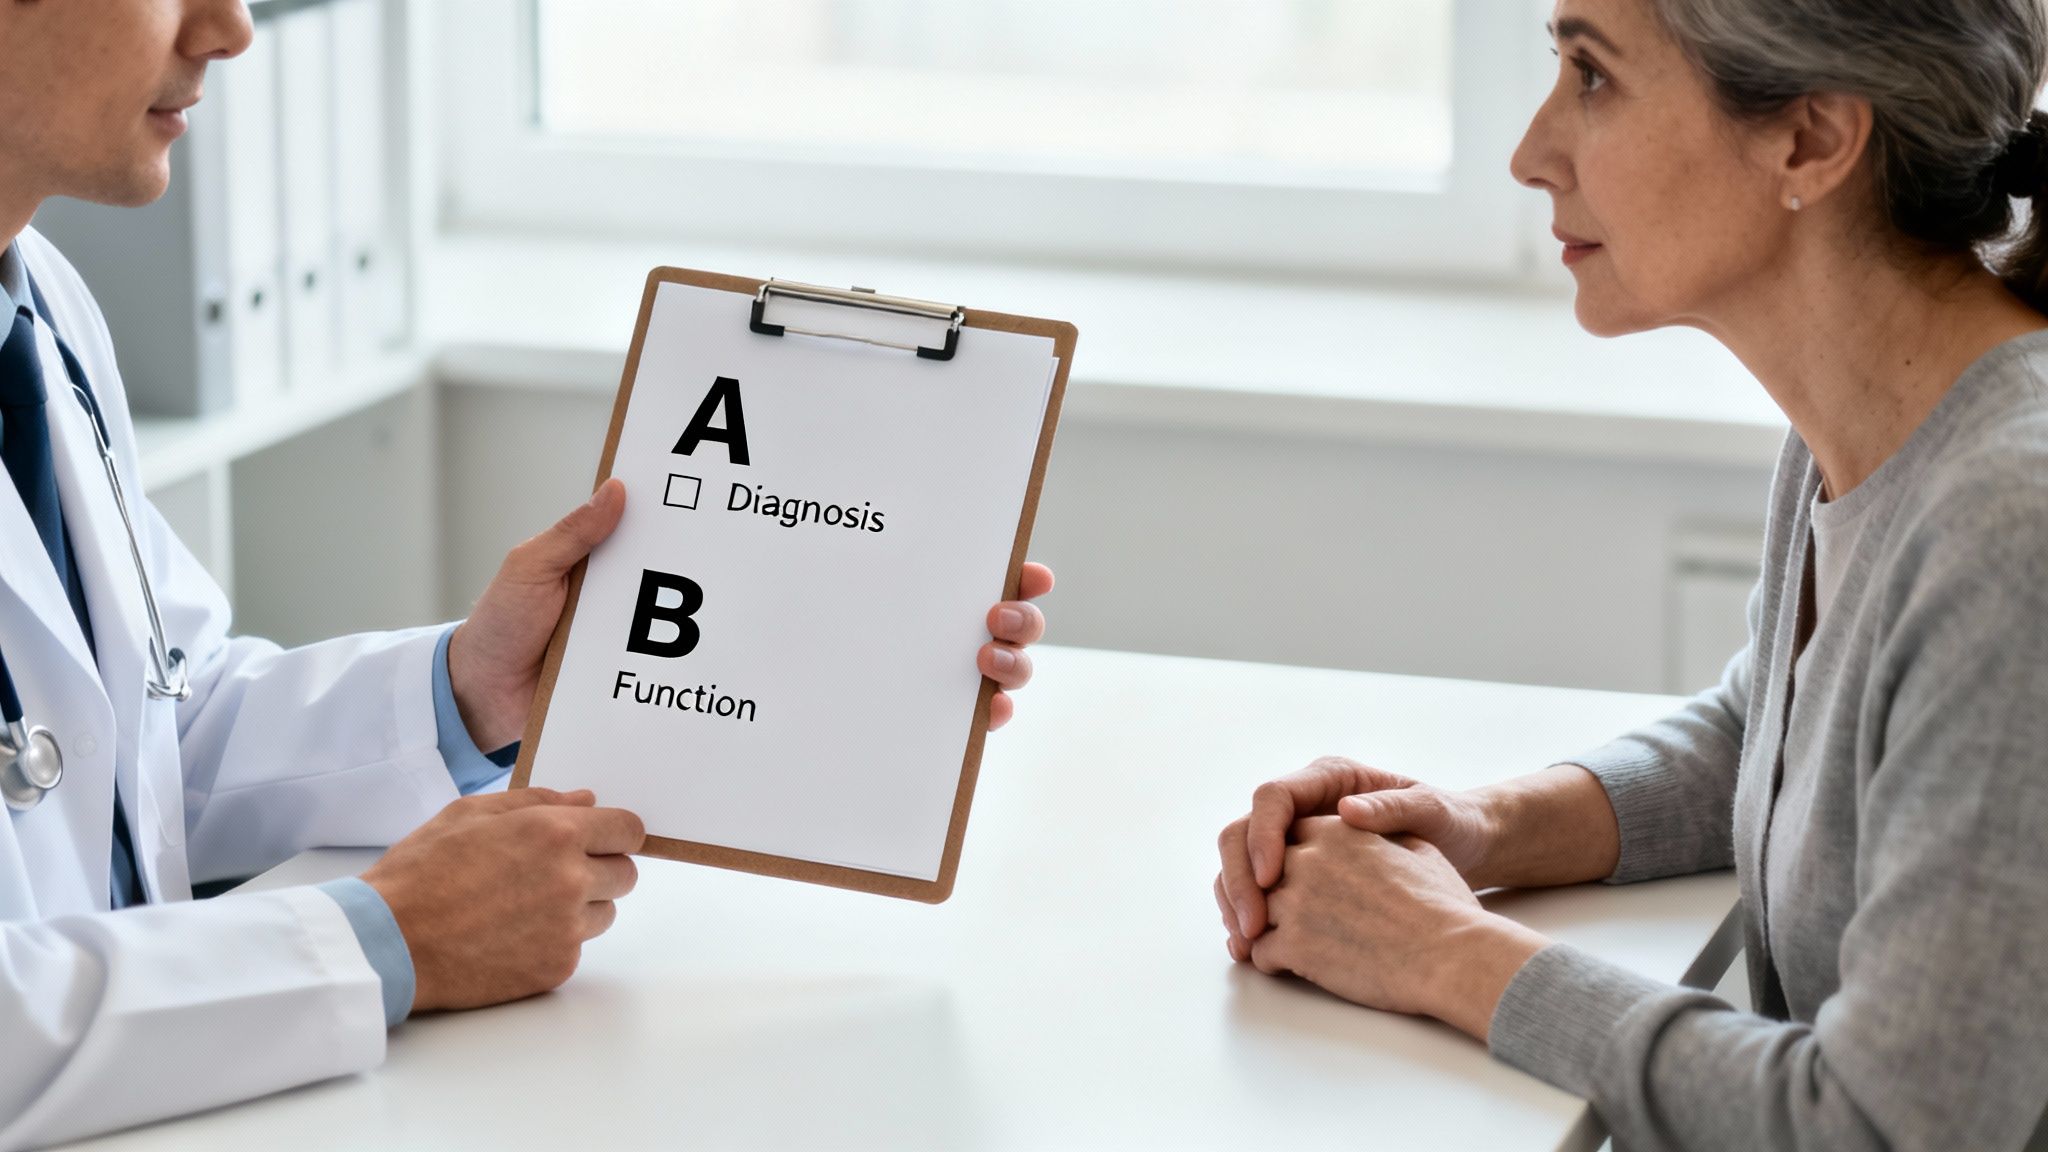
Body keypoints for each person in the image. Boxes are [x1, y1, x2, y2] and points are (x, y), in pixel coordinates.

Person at [0, 2, 1051, 1147]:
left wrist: (473, 689)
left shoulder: (37, 302)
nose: (232, 28)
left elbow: (146, 738)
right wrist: (377, 938)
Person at [1215, 0, 2048, 1148]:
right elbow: (1778, 731)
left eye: (1591, 74)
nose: (1527, 152)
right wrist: (1472, 825)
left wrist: (1440, 952)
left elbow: (1882, 1125)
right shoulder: (1862, 420)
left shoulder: (2012, 526)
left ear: (1807, 140)